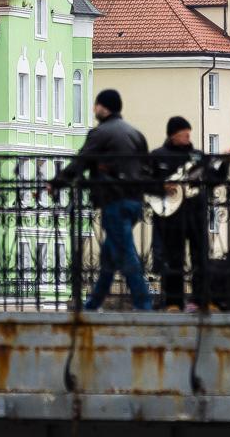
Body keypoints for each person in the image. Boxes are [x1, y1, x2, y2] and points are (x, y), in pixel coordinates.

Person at [48, 89, 154, 311]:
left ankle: (144, 303)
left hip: (113, 199)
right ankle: (93, 303)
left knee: (126, 254)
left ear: (102, 107)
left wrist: (57, 182)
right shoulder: (135, 133)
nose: (94, 109)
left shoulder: (100, 133)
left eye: (96, 105)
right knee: (109, 255)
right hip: (135, 201)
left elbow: (82, 161)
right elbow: (147, 167)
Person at [149, 116, 230, 311]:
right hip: (172, 216)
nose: (188, 136)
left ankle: (200, 300)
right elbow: (145, 183)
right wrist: (162, 187)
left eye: (188, 133)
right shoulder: (158, 156)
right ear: (173, 134)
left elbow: (214, 179)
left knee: (201, 259)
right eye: (183, 133)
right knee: (174, 261)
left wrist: (226, 162)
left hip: (196, 214)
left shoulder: (198, 156)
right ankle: (173, 303)